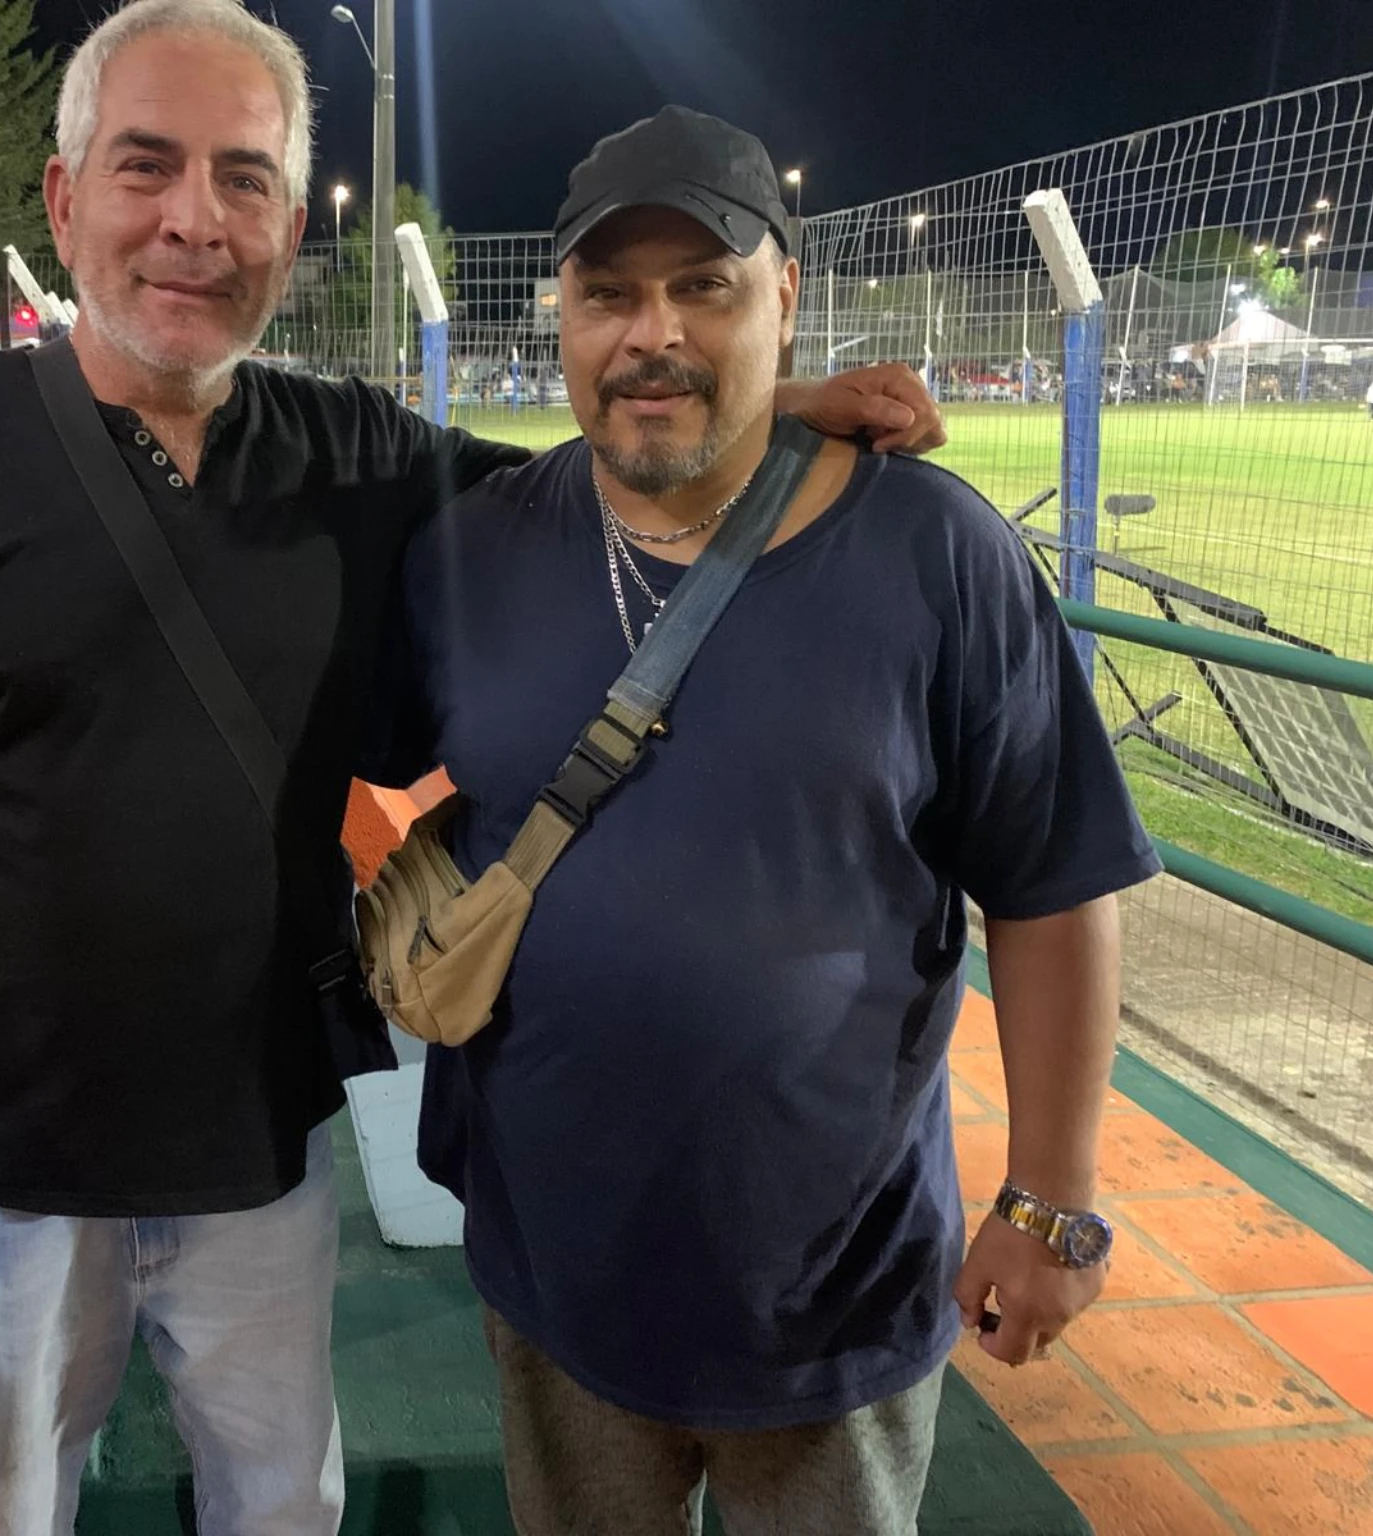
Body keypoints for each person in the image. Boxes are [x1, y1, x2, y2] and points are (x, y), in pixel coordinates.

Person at [0, 5, 943, 1533]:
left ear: (292, 230)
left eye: (243, 180)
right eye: (146, 167)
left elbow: (579, 485)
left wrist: (768, 409)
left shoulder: (355, 451)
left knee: (282, 1508)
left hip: (259, 1146)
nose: (194, 220)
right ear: (64, 198)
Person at [363, 107, 1160, 1536]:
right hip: (555, 1264)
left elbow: (1050, 887)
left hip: (831, 1287)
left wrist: (1051, 1198)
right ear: (561, 313)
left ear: (784, 298)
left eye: (704, 288)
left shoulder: (939, 555)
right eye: (608, 294)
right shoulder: (472, 547)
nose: (650, 332)